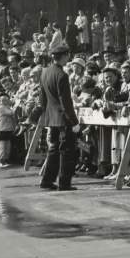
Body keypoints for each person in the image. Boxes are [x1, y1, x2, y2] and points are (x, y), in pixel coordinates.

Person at [35, 40, 80, 191]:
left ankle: (47, 180)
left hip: (51, 117)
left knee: (53, 150)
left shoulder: (45, 72)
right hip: (63, 119)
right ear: (64, 56)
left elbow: (42, 99)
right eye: (67, 56)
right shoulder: (62, 75)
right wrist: (74, 121)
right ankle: (64, 183)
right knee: (66, 151)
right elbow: (65, 102)